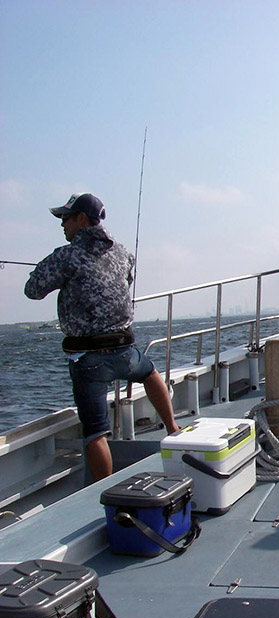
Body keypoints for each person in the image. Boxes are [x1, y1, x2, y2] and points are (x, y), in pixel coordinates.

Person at [24, 193, 180, 482]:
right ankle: (173, 429)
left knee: (95, 432)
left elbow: (32, 290)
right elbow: (127, 278)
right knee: (149, 372)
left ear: (82, 219)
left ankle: (100, 491)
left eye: (65, 218)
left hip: (88, 359)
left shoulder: (66, 256)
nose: (62, 225)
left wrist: (45, 270)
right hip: (124, 351)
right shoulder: (122, 253)